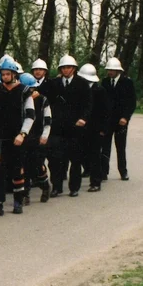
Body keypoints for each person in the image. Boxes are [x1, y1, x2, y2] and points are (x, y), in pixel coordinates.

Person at [0, 58, 35, 216]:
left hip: (18, 138)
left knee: (17, 170)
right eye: (3, 74)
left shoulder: (24, 91)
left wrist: (23, 134)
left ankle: (17, 201)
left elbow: (30, 116)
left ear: (14, 74)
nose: (5, 76)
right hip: (1, 137)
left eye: (8, 74)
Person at [43, 55, 92, 198]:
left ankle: (74, 187)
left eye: (68, 67)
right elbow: (42, 90)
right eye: (63, 68)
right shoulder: (55, 83)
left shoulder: (82, 83)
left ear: (74, 69)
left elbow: (88, 103)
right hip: (58, 127)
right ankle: (57, 187)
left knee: (75, 159)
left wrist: (83, 118)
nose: (66, 70)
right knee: (56, 159)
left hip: (75, 128)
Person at [19, 72, 52, 204]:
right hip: (23, 136)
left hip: (37, 137)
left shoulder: (42, 100)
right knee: (24, 166)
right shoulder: (20, 99)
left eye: (31, 89)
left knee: (37, 166)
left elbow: (48, 119)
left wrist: (45, 135)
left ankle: (45, 186)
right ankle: (25, 194)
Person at [101, 57, 136, 181]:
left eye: (112, 70)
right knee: (105, 147)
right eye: (108, 70)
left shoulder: (127, 82)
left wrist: (125, 117)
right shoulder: (105, 82)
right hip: (107, 120)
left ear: (118, 71)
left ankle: (123, 171)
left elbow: (132, 102)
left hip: (121, 121)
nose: (110, 72)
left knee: (120, 147)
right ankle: (103, 172)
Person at [78, 63, 109, 192]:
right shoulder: (79, 89)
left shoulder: (100, 90)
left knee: (95, 154)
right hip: (82, 127)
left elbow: (105, 111)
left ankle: (96, 181)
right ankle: (88, 170)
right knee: (83, 153)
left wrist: (103, 129)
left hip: (95, 128)